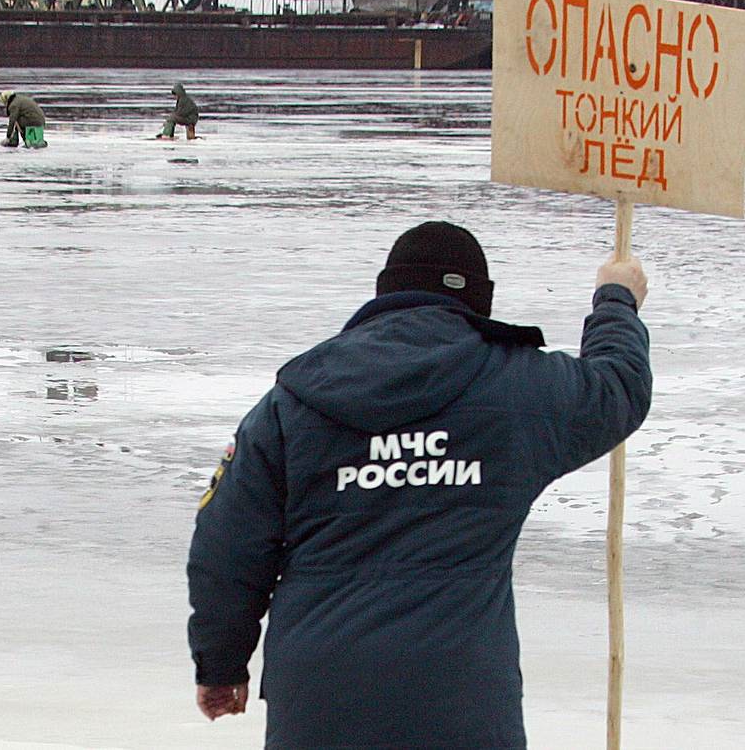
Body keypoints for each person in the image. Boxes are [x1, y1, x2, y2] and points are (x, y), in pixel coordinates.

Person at [187, 221, 652, 748]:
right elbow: (618, 387)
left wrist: (221, 664)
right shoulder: (518, 388)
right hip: (461, 697)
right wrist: (616, 300)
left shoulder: (291, 404)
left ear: (385, 292)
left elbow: (226, 547)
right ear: (478, 301)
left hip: (321, 696)